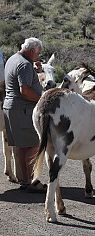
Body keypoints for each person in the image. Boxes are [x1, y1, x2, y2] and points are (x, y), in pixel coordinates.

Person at [3, 37, 47, 192]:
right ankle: (32, 182)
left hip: (11, 108)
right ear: (32, 50)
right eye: (38, 52)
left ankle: (25, 181)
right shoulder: (25, 65)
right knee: (33, 145)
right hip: (23, 110)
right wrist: (42, 99)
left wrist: (36, 72)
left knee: (21, 147)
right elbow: (25, 90)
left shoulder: (12, 59)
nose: (38, 56)